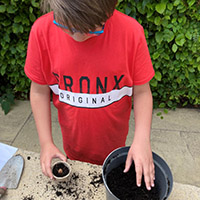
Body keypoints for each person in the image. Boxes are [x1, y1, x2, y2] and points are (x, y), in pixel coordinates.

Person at [24, 0, 155, 191]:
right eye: (67, 27)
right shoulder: (42, 32)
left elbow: (142, 92)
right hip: (73, 148)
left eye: (91, 29)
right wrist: (46, 143)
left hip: (115, 147)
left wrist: (142, 138)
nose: (78, 37)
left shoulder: (131, 32)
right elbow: (38, 91)